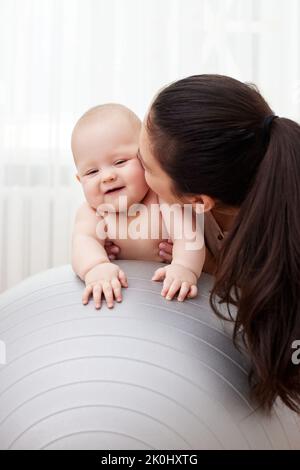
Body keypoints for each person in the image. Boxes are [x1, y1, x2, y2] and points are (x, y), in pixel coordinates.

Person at [107, 75, 300, 414]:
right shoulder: (201, 203)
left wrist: (216, 267)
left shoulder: (283, 235)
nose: (136, 170)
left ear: (198, 200)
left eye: (147, 167)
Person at [71, 103, 205, 309]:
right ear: (80, 180)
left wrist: (184, 267)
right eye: (91, 172)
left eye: (120, 162)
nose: (107, 176)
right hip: (122, 302)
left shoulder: (161, 197)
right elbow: (83, 241)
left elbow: (189, 235)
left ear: (145, 158)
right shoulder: (93, 211)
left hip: (165, 299)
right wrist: (96, 267)